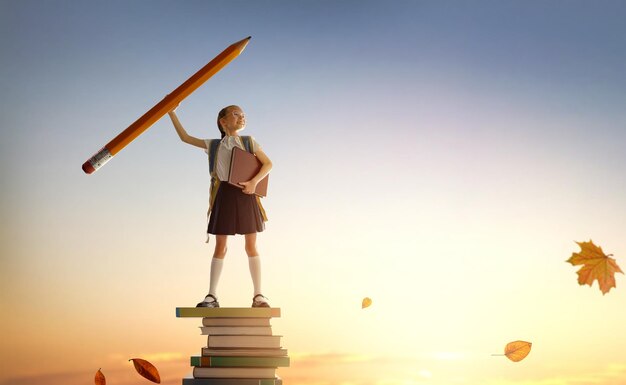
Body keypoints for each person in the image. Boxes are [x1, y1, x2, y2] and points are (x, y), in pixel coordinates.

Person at [168, 105, 272, 308]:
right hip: (223, 194)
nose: (241, 117)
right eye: (236, 114)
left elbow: (268, 164)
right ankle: (212, 296)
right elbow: (185, 138)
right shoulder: (213, 145)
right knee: (220, 246)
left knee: (251, 245)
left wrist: (253, 183)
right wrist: (171, 113)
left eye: (243, 115)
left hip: (246, 194)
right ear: (222, 121)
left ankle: (259, 295)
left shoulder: (249, 142)